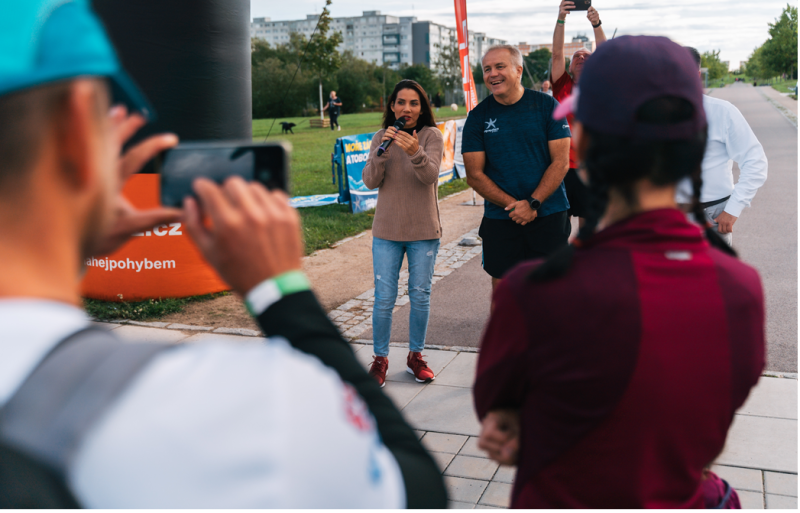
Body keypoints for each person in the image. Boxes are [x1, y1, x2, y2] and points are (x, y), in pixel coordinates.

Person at [0, 1, 446, 508]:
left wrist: (66, 244)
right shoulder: (234, 408)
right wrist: (281, 290)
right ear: (80, 130)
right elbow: (417, 490)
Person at [473, 36, 765, 508]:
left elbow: (500, 413)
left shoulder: (532, 292)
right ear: (693, 141)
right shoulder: (741, 289)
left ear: (581, 141)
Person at [462, 45, 572, 290]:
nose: (492, 74)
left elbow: (561, 162)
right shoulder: (478, 117)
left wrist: (533, 203)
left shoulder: (547, 106)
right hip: (502, 218)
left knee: (551, 290)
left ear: (519, 70)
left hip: (549, 214)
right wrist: (515, 206)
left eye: (500, 66)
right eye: (487, 69)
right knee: (505, 294)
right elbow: (474, 175)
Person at [361, 80, 444, 388]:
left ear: (422, 108)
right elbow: (370, 181)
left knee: (420, 295)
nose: (406, 109)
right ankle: (380, 359)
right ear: (392, 107)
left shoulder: (431, 136)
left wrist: (415, 152)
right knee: (384, 298)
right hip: (386, 231)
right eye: (400, 103)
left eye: (413, 103)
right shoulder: (379, 138)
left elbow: (430, 176)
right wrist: (383, 151)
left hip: (423, 230)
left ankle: (415, 356)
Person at [679, 47, 768, 245]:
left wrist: (733, 209)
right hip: (667, 216)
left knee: (714, 276)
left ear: (697, 74)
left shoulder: (722, 112)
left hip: (712, 214)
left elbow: (756, 162)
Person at [551, 1, 607, 223]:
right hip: (560, 165)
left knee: (589, 223)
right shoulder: (561, 85)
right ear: (570, 66)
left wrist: (596, 24)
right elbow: (557, 54)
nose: (582, 58)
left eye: (587, 56)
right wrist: (561, 18)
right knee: (558, 223)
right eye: (577, 57)